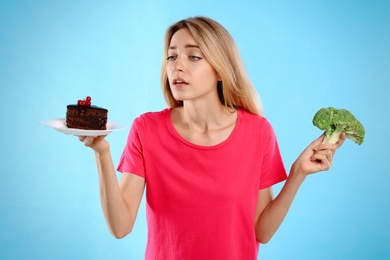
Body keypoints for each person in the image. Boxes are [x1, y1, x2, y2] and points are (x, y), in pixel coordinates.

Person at [79, 16, 346, 260]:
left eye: (193, 57)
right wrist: (101, 152)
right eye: (172, 57)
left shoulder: (258, 133)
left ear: (220, 69)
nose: (177, 66)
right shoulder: (147, 129)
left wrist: (297, 173)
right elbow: (120, 226)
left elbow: (261, 232)